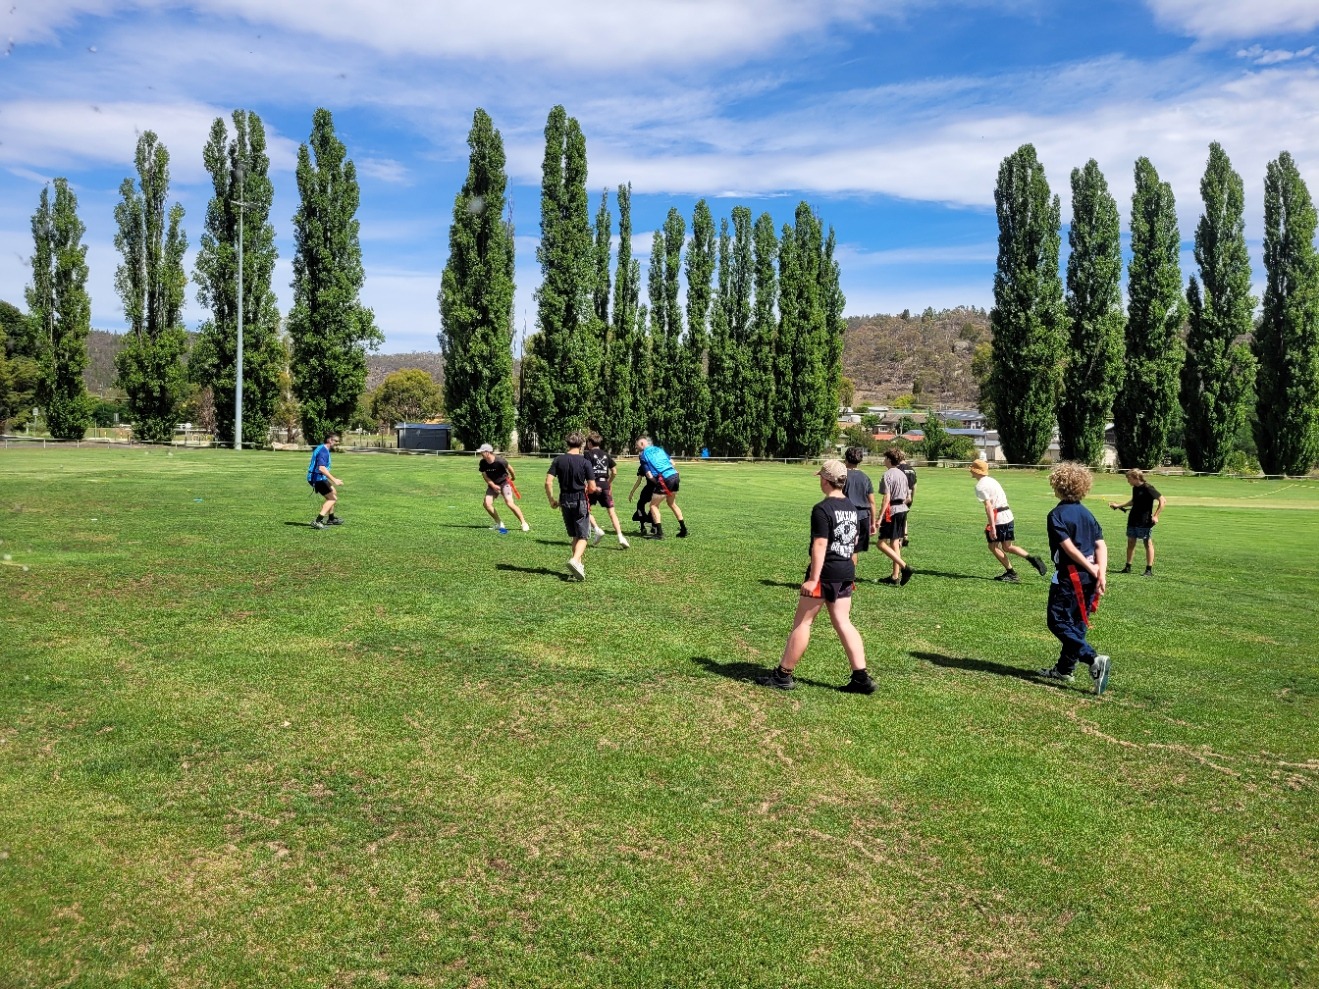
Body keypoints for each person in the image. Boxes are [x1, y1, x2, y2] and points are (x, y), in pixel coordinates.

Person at [755, 459, 875, 694]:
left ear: (826, 480)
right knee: (843, 622)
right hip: (845, 570)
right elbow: (852, 541)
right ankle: (861, 677)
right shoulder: (851, 507)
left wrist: (813, 578)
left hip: (825, 572)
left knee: (803, 622)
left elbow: (820, 544)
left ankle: (783, 675)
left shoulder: (823, 509)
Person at [1036, 462, 1111, 695]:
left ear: (1057, 486)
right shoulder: (1087, 514)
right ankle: (1064, 669)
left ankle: (1093, 659)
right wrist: (1100, 572)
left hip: (1070, 577)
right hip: (1090, 578)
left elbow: (1068, 548)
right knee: (1077, 624)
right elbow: (1101, 545)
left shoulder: (1056, 515)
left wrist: (1091, 568)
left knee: (1057, 621)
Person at [968, 459, 1047, 582]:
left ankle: (1011, 573)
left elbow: (989, 507)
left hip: (999, 519)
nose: (970, 471)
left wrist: (992, 527)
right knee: (1008, 546)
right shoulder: (992, 480)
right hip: (1008, 515)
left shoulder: (980, 486)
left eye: (972, 469)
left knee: (993, 546)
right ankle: (1032, 559)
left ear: (976, 471)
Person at [545, 431, 596, 580]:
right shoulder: (585, 462)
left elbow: (548, 482)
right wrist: (587, 489)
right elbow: (592, 487)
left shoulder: (558, 460)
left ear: (567, 443)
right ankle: (574, 560)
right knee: (583, 536)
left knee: (575, 535)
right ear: (582, 444)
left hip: (564, 501)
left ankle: (578, 567)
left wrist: (552, 500)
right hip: (580, 500)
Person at [1109, 468, 1165, 576]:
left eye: (1129, 478)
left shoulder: (1148, 488)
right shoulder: (1135, 488)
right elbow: (1133, 501)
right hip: (1133, 519)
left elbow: (1163, 501)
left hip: (1145, 520)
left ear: (1136, 477)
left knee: (1147, 543)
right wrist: (1118, 505)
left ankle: (1148, 570)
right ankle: (1128, 567)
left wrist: (1156, 515)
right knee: (1130, 542)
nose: (1128, 481)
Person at [635, 436, 688, 539]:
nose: (636, 447)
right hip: (675, 476)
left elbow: (649, 475)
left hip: (665, 479)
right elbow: (673, 463)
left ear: (642, 444)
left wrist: (658, 482)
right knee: (671, 503)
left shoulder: (643, 455)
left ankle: (659, 533)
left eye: (637, 445)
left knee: (653, 506)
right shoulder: (659, 449)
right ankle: (683, 529)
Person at [584, 432, 630, 549]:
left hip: (593, 484)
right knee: (611, 512)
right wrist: (608, 483)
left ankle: (597, 529)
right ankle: (620, 537)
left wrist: (587, 484)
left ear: (589, 443)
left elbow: (585, 470)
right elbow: (614, 471)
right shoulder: (606, 455)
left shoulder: (587, 454)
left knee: (584, 509)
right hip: (604, 484)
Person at [876, 448, 913, 585]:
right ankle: (895, 576)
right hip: (902, 510)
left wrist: (880, 517)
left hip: (892, 511)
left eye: (885, 458)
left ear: (889, 460)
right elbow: (908, 497)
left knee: (881, 543)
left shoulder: (887, 475)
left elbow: (886, 498)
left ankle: (905, 568)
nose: (883, 460)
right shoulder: (903, 474)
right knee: (895, 542)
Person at [476, 443, 529, 535]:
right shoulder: (483, 463)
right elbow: (485, 476)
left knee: (509, 503)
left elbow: (510, 469)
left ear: (488, 452)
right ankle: (499, 523)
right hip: (493, 485)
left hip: (504, 483)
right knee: (487, 504)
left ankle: (524, 523)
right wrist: (493, 485)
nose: (481, 454)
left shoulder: (500, 461)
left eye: (482, 452)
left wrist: (513, 477)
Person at [842, 446, 877, 567]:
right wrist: (873, 523)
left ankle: (842, 575)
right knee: (854, 550)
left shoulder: (842, 476)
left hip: (846, 515)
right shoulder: (865, 477)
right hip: (863, 517)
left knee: (843, 548)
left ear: (846, 459)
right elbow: (872, 502)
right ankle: (850, 576)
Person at [306, 432, 344, 529]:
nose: (337, 443)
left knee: (333, 492)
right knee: (332, 499)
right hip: (316, 479)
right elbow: (321, 468)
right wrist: (334, 480)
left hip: (320, 477)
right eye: (336, 441)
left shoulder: (323, 448)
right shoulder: (323, 451)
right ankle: (317, 521)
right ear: (330, 440)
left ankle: (331, 518)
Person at [627, 462, 657, 538]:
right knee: (654, 506)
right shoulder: (658, 463)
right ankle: (654, 526)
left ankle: (643, 526)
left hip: (649, 489)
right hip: (658, 489)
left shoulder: (644, 465)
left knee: (640, 505)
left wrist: (632, 492)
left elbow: (639, 481)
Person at [897, 448, 917, 547]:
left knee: (898, 517)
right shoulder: (912, 470)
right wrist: (912, 498)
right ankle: (905, 536)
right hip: (910, 496)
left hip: (900, 497)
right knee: (904, 516)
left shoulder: (897, 469)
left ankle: (899, 539)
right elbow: (914, 486)